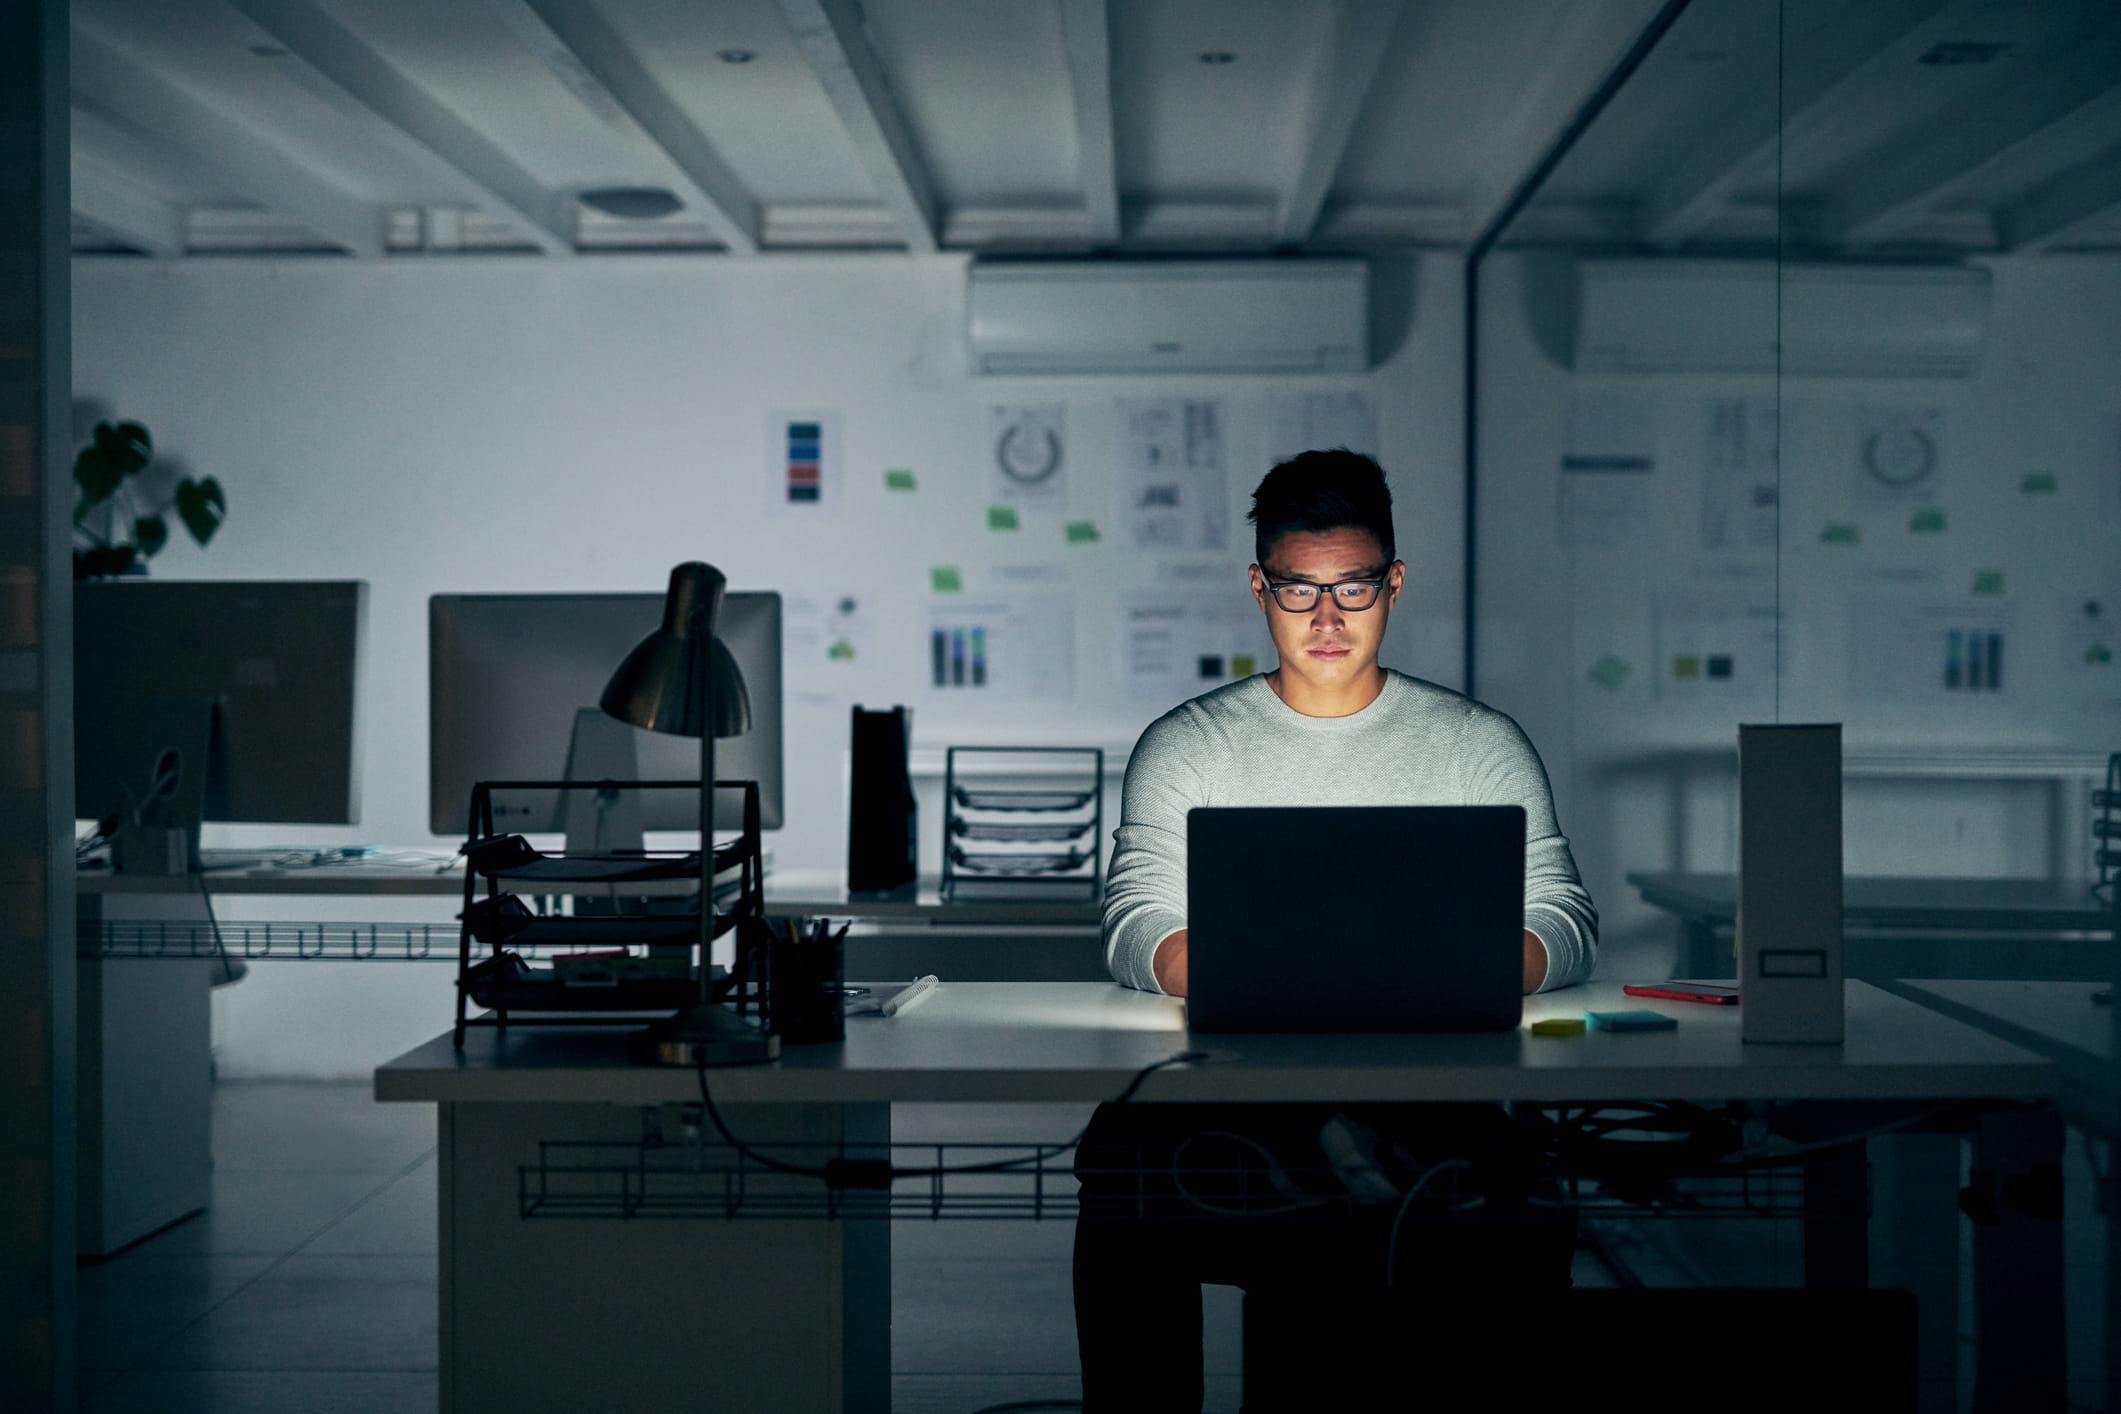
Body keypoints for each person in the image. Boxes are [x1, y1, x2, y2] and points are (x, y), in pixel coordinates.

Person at [1074, 448, 1596, 1411]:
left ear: (1393, 584)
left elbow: (1561, 920)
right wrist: (1267, 971)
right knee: (1123, 1160)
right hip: (1226, 1100)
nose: (1325, 619)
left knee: (1496, 1195)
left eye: (1352, 588)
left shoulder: (1476, 744)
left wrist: (1454, 968)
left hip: (1426, 1097)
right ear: (1258, 588)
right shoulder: (1188, 745)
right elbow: (1135, 923)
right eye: (1297, 590)